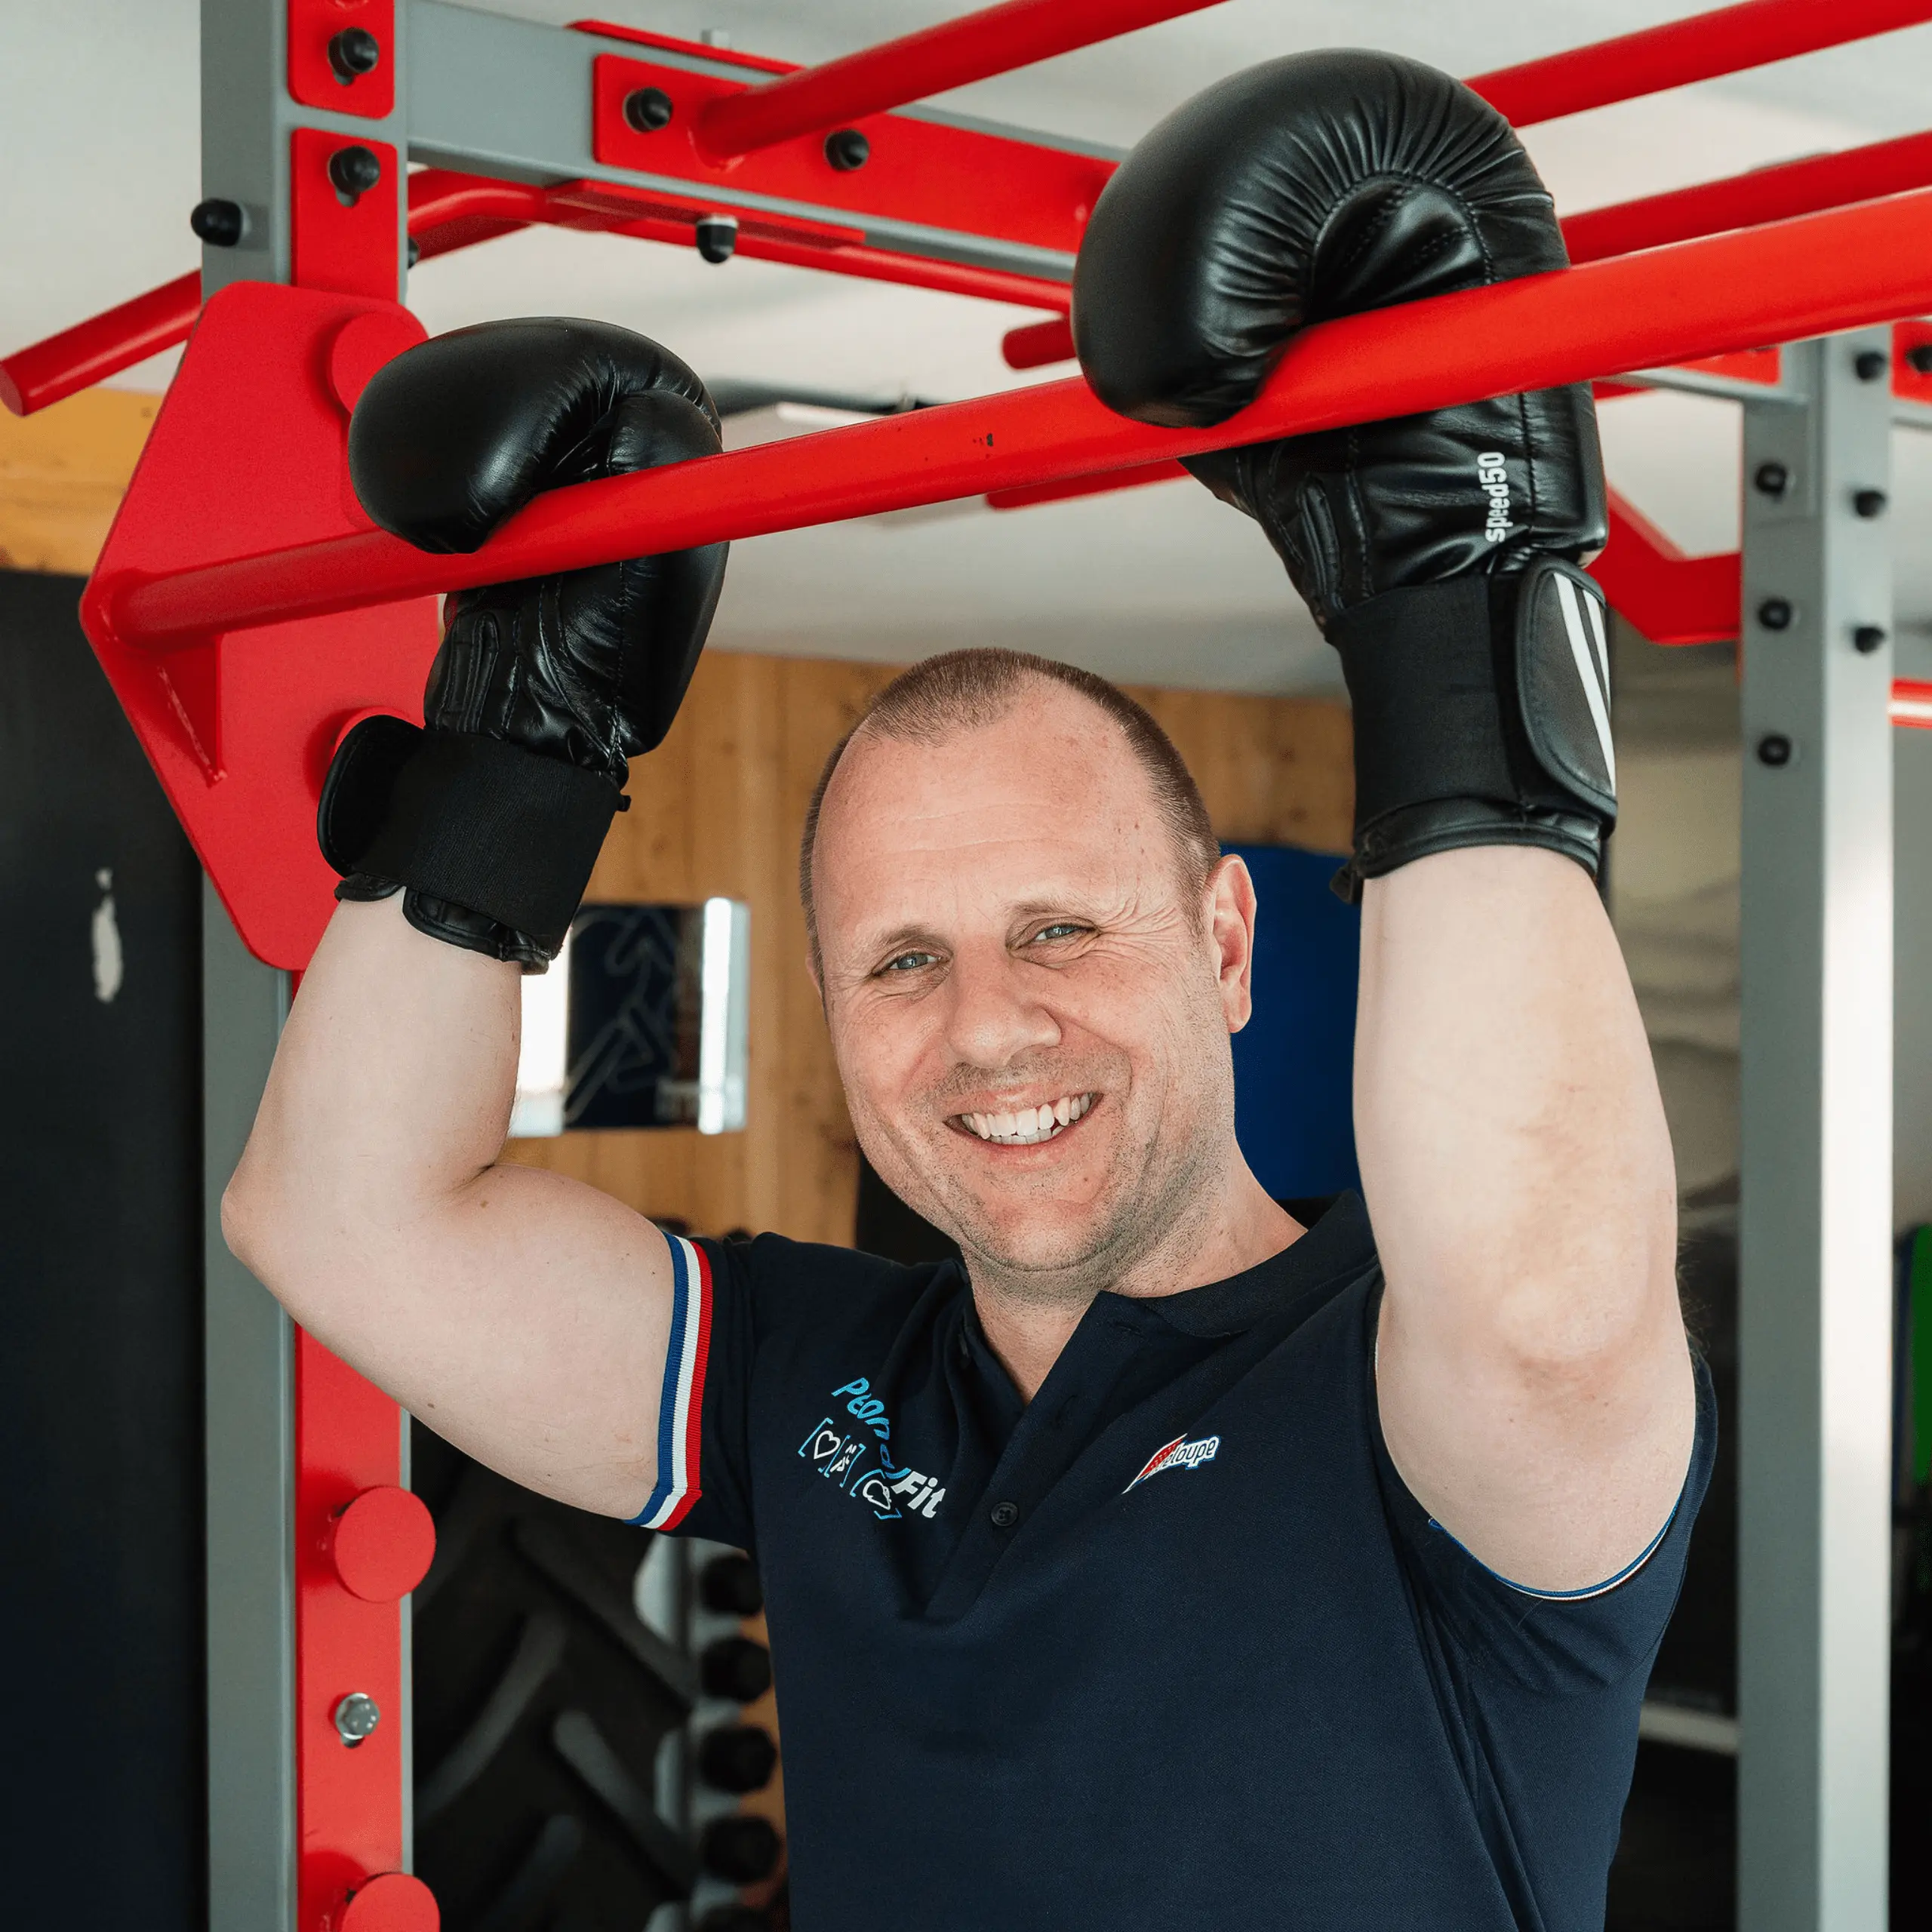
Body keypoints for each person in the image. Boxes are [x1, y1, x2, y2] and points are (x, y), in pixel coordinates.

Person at [225, 47, 1710, 1932]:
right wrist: (513, 763)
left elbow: (1540, 1308)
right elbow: (336, 1217)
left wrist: (1453, 579)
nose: (989, 1024)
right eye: (901, 960)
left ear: (1230, 945)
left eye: (1061, 929)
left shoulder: (1408, 1387)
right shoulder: (818, 1378)